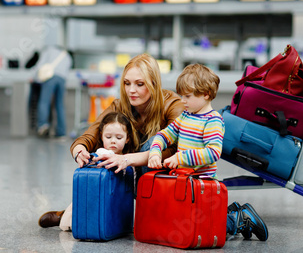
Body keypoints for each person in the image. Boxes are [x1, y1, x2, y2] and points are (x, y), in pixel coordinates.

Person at [38, 53, 184, 229]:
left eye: (139, 84)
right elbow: (91, 135)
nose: (131, 90)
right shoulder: (120, 105)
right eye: (127, 83)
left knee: (154, 142)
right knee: (109, 136)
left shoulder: (172, 104)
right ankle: (83, 210)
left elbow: (177, 148)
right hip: (128, 176)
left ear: (154, 83)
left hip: (162, 177)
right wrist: (80, 150)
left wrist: (126, 159)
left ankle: (149, 215)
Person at [148, 64, 268, 241]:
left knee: (208, 226)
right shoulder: (185, 116)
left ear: (205, 94)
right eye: (182, 95)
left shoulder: (213, 121)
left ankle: (241, 218)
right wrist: (155, 152)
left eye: (187, 96)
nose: (183, 100)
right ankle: (230, 212)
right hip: (187, 182)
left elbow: (213, 153)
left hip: (203, 186)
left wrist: (181, 157)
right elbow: (164, 135)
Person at [55, 111, 138, 230]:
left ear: (127, 138)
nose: (113, 141)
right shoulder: (101, 154)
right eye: (108, 137)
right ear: (101, 136)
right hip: (96, 201)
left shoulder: (129, 159)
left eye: (119, 137)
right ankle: (62, 218)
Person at [34, 45, 73, 139]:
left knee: (44, 101)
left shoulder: (49, 50)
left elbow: (40, 65)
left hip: (50, 77)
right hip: (62, 79)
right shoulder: (67, 56)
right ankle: (61, 132)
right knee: (60, 105)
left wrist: (35, 78)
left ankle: (43, 125)